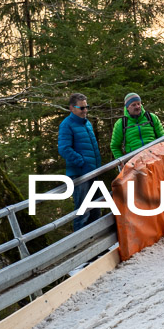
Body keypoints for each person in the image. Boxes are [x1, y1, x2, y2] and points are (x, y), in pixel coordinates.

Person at [57, 92, 102, 231]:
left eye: (86, 107)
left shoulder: (87, 123)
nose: (85, 110)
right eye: (82, 108)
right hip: (79, 174)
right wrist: (82, 162)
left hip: (93, 172)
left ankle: (96, 245)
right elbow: (64, 149)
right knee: (82, 212)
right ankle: (80, 247)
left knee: (96, 209)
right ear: (72, 108)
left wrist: (95, 166)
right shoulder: (67, 125)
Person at [110, 93, 164, 160]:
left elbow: (163, 138)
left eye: (139, 103)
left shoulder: (151, 117)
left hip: (155, 156)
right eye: (134, 105)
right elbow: (115, 146)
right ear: (127, 107)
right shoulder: (121, 123)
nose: (137, 106)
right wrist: (122, 161)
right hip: (135, 161)